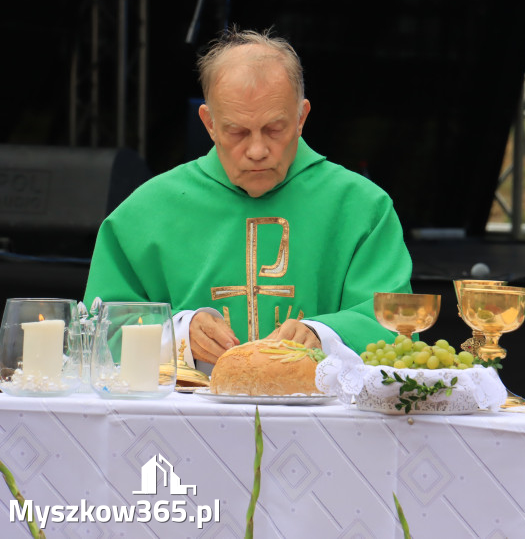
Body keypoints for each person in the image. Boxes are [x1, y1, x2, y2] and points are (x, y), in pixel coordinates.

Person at [84, 28, 413, 372]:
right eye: (237, 132)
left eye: (274, 129)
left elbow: (397, 328)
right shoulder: (145, 213)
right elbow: (98, 330)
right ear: (209, 124)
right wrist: (178, 334)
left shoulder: (362, 208)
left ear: (301, 117)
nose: (257, 151)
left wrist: (324, 335)